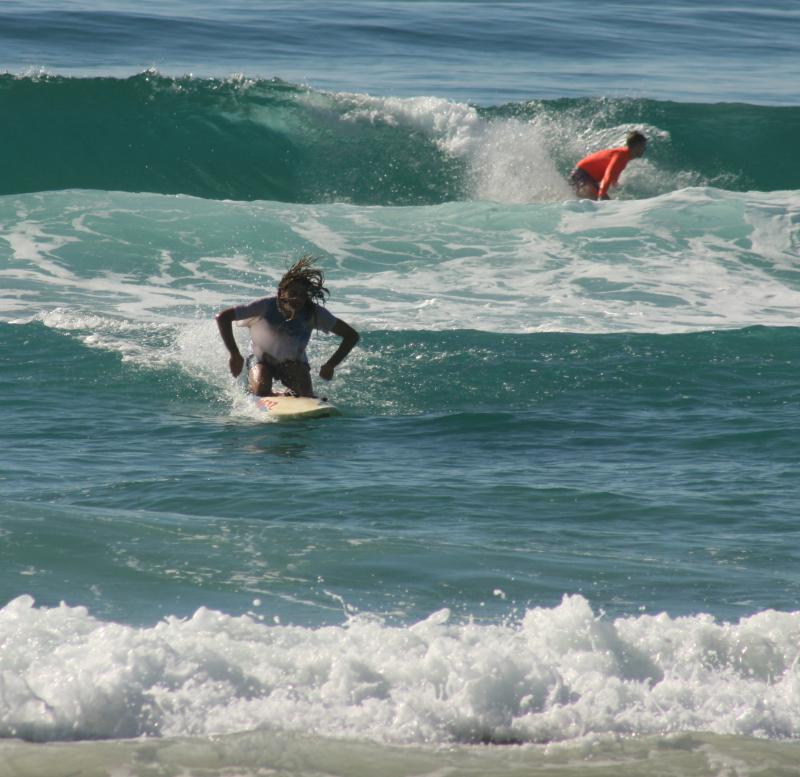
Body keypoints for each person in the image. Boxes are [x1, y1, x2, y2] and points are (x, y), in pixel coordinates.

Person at [216, 256, 359, 397]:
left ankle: (287, 394)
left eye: (303, 295)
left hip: (293, 362)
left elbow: (351, 336)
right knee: (261, 390)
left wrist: (330, 365)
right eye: (293, 293)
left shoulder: (313, 313)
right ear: (281, 294)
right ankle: (261, 390)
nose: (298, 299)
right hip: (260, 359)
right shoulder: (265, 306)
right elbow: (223, 317)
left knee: (305, 394)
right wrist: (234, 354)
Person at [569, 130, 647, 200]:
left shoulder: (625, 155)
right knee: (603, 204)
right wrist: (601, 195)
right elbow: (608, 175)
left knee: (601, 204)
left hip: (585, 177)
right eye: (643, 146)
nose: (644, 149)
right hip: (581, 176)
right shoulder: (621, 155)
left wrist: (615, 186)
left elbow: (613, 175)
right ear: (636, 147)